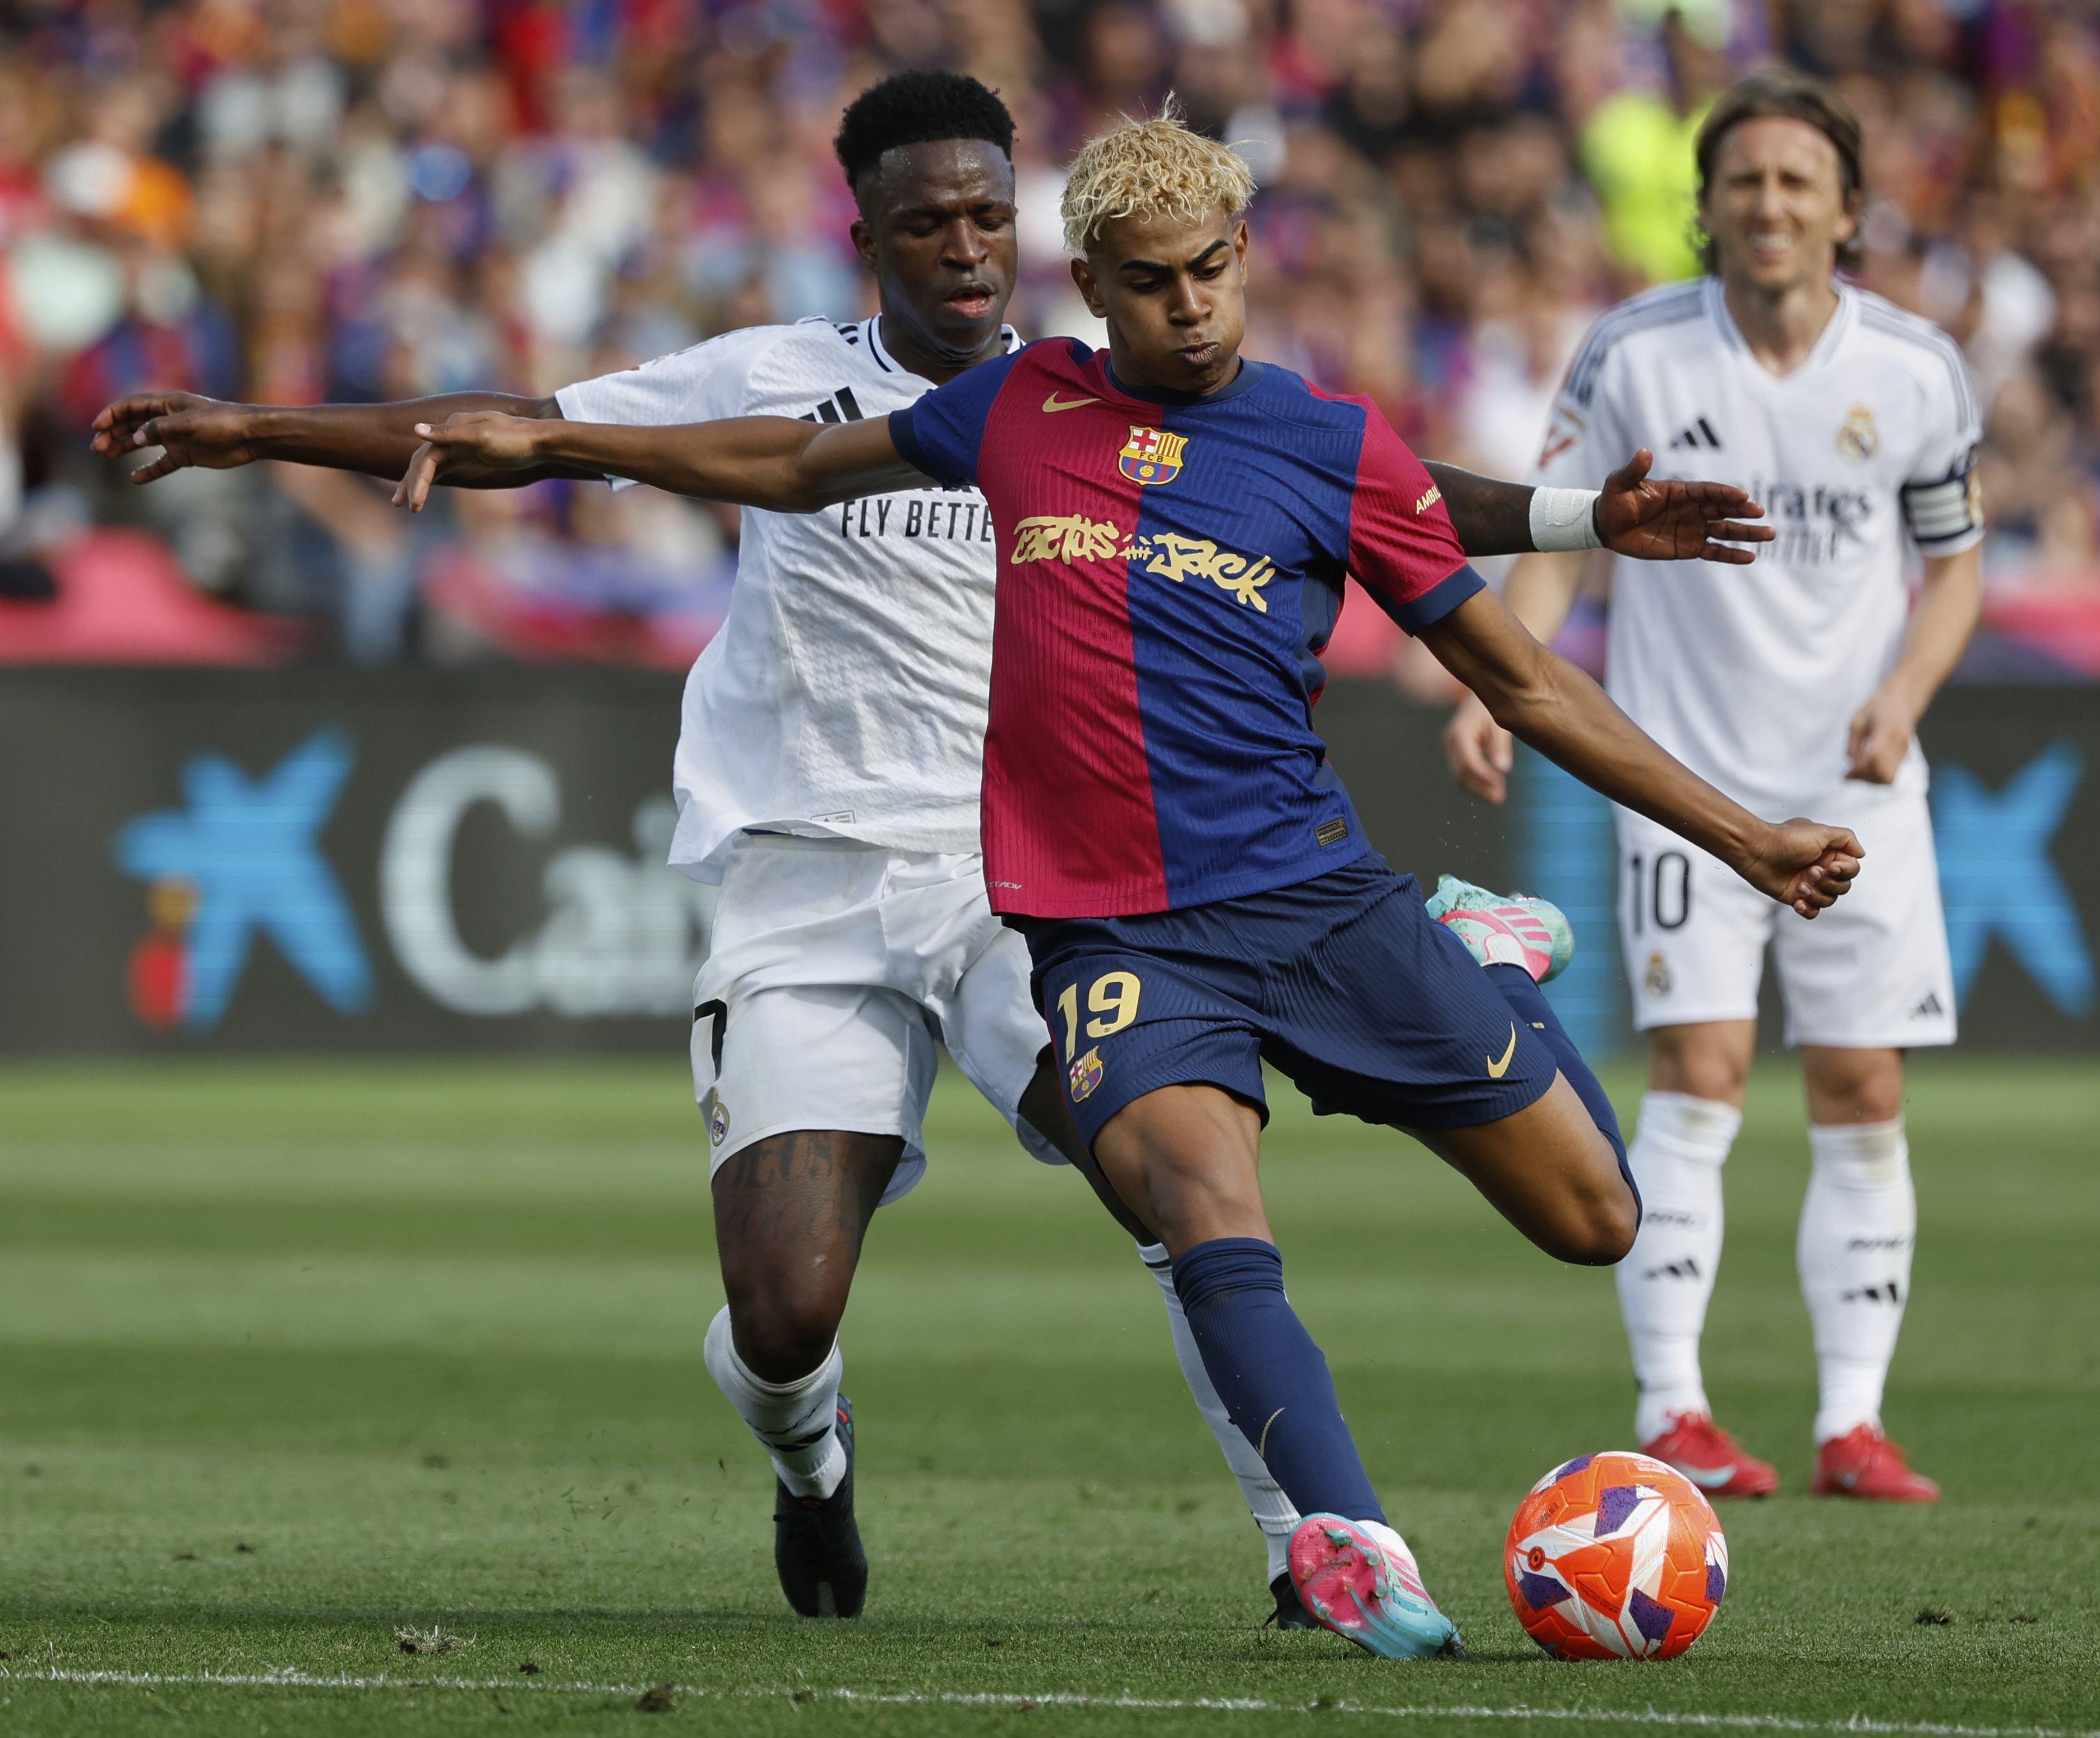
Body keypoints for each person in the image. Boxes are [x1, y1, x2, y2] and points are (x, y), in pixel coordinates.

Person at [91, 73, 1773, 1634]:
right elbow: (534, 428)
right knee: (783, 1309)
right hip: (803, 877)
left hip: (1013, 880)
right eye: (926, 224)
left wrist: (1562, 515)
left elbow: (1348, 486)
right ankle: (809, 1458)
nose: (964, 250)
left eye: (986, 218)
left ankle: (1301, 1545)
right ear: (869, 237)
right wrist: (262, 430)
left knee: (1174, 1187)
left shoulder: (1085, 373)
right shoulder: (793, 380)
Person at [1445, 69, 1984, 1506]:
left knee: (1866, 1090)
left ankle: (1850, 1426)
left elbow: (1958, 566)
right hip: (1688, 784)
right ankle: (1674, 1408)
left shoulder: (1918, 370)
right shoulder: (1632, 354)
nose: (1769, 204)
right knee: (1701, 1073)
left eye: (1799, 182)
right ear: (1705, 207)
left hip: (1863, 788)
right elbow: (1560, 534)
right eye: (1744, 181)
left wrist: (1905, 697)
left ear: (1847, 211)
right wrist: (1511, 674)